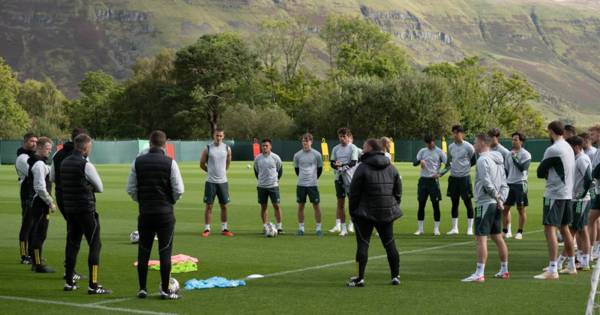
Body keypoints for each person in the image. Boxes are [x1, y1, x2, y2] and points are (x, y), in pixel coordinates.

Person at [127, 130, 184, 300]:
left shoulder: (137, 162)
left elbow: (130, 189)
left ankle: (142, 289)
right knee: (165, 252)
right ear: (164, 144)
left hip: (145, 213)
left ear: (149, 143)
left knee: (143, 251)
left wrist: (142, 201)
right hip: (165, 213)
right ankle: (165, 291)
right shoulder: (170, 162)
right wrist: (170, 202)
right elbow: (179, 189)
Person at [347, 139, 402, 287]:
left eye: (364, 147)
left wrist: (353, 212)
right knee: (390, 243)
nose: (362, 150)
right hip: (386, 212)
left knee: (363, 244)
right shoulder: (391, 167)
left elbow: (354, 193)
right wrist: (393, 205)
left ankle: (360, 278)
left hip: (365, 213)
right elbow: (398, 191)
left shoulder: (362, 167)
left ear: (370, 149)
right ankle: (395, 276)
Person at [61, 134, 111, 294]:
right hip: (86, 209)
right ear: (86, 147)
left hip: (70, 209)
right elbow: (100, 188)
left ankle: (69, 282)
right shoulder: (85, 164)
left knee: (72, 244)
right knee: (95, 245)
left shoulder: (64, 162)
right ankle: (93, 284)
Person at [462, 134, 509, 282]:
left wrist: (496, 197)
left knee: (480, 238)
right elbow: (504, 183)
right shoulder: (498, 160)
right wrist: (501, 199)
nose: (473, 145)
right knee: (497, 237)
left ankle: (479, 273)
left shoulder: (482, 160)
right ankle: (504, 270)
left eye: (475, 142)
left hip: (485, 203)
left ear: (482, 143)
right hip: (495, 203)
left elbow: (486, 182)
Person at [535, 121, 576, 280]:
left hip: (555, 194)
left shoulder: (553, 149)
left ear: (551, 131)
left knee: (549, 229)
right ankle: (571, 265)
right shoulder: (568, 147)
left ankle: (553, 269)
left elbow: (540, 171)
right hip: (567, 194)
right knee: (565, 228)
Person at [51, 127, 87, 282]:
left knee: (72, 231)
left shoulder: (57, 154)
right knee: (76, 233)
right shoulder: (81, 156)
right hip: (77, 197)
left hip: (61, 195)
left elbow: (52, 177)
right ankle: (70, 271)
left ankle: (69, 270)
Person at [556, 136, 592, 272]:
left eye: (570, 147)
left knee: (571, 231)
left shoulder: (582, 159)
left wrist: (581, 195)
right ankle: (584, 261)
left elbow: (588, 178)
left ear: (576, 147)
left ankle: (560, 262)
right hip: (579, 200)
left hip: (580, 201)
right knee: (582, 230)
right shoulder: (578, 158)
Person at [26, 137, 57, 273]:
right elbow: (39, 187)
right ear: (39, 147)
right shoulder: (39, 164)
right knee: (40, 234)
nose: (49, 152)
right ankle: (37, 264)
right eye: (47, 149)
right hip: (40, 202)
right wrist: (50, 201)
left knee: (38, 233)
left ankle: (36, 261)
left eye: (50, 149)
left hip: (38, 202)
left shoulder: (40, 162)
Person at [442, 125, 476, 235]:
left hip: (464, 178)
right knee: (454, 203)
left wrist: (465, 168)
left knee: (467, 202)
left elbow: (473, 160)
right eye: (453, 133)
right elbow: (449, 162)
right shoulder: (451, 146)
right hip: (453, 178)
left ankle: (470, 228)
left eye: (456, 133)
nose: (454, 135)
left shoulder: (469, 147)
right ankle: (454, 228)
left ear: (462, 134)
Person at [199, 128, 233, 237]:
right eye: (217, 135)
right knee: (209, 206)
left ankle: (224, 228)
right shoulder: (208, 148)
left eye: (220, 136)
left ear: (223, 136)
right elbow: (202, 163)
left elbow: (228, 161)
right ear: (213, 136)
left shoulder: (227, 148)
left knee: (224, 206)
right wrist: (209, 172)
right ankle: (207, 229)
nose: (218, 138)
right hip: (210, 182)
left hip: (223, 182)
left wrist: (223, 171)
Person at [413, 135, 447, 236]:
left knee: (435, 205)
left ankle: (436, 229)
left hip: (433, 181)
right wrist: (420, 161)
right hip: (423, 180)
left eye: (429, 142)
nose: (428, 144)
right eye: (426, 143)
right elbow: (414, 163)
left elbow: (448, 165)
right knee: (421, 204)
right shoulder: (422, 151)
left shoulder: (440, 152)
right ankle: (420, 229)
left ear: (433, 141)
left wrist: (440, 174)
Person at [329, 127, 360, 236]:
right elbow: (332, 163)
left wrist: (341, 166)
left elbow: (353, 162)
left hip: (351, 179)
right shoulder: (335, 149)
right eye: (340, 137)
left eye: (344, 136)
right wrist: (336, 167)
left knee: (353, 204)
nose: (342, 139)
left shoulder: (353, 148)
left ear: (348, 137)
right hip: (339, 179)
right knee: (340, 203)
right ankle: (343, 228)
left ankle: (353, 224)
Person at [293, 133, 323, 236]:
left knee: (316, 206)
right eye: (303, 141)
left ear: (311, 142)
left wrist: (313, 179)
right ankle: (301, 229)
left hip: (312, 185)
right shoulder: (297, 155)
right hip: (301, 185)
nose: (305, 142)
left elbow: (320, 169)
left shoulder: (317, 154)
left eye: (307, 141)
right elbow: (297, 170)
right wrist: (303, 178)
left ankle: (318, 229)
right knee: (301, 206)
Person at [503, 132, 532, 240]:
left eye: (516, 139)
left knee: (520, 209)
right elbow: (506, 169)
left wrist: (515, 157)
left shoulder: (526, 154)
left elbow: (522, 168)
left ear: (521, 141)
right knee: (505, 208)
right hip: (509, 183)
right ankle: (505, 231)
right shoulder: (508, 154)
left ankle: (520, 232)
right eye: (513, 139)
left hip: (521, 184)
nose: (513, 141)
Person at [253, 138, 284, 234]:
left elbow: (280, 170)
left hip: (273, 186)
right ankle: (265, 226)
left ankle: (279, 227)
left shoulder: (276, 157)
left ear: (270, 146)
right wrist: (261, 181)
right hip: (262, 186)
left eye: (267, 145)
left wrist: (276, 180)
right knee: (263, 207)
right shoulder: (258, 158)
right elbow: (256, 171)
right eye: (263, 146)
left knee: (276, 206)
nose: (265, 147)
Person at [16, 132, 37, 264]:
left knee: (34, 225)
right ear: (25, 142)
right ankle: (24, 255)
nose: (34, 143)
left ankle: (31, 253)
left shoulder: (32, 156)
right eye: (31, 141)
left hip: (33, 192)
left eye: (36, 141)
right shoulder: (23, 158)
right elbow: (33, 172)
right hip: (27, 193)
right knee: (26, 225)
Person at [587, 125, 600, 260]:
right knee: (593, 219)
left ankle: (588, 252)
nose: (591, 136)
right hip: (598, 190)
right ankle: (594, 249)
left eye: (593, 134)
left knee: (589, 220)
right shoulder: (598, 150)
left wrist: (592, 175)